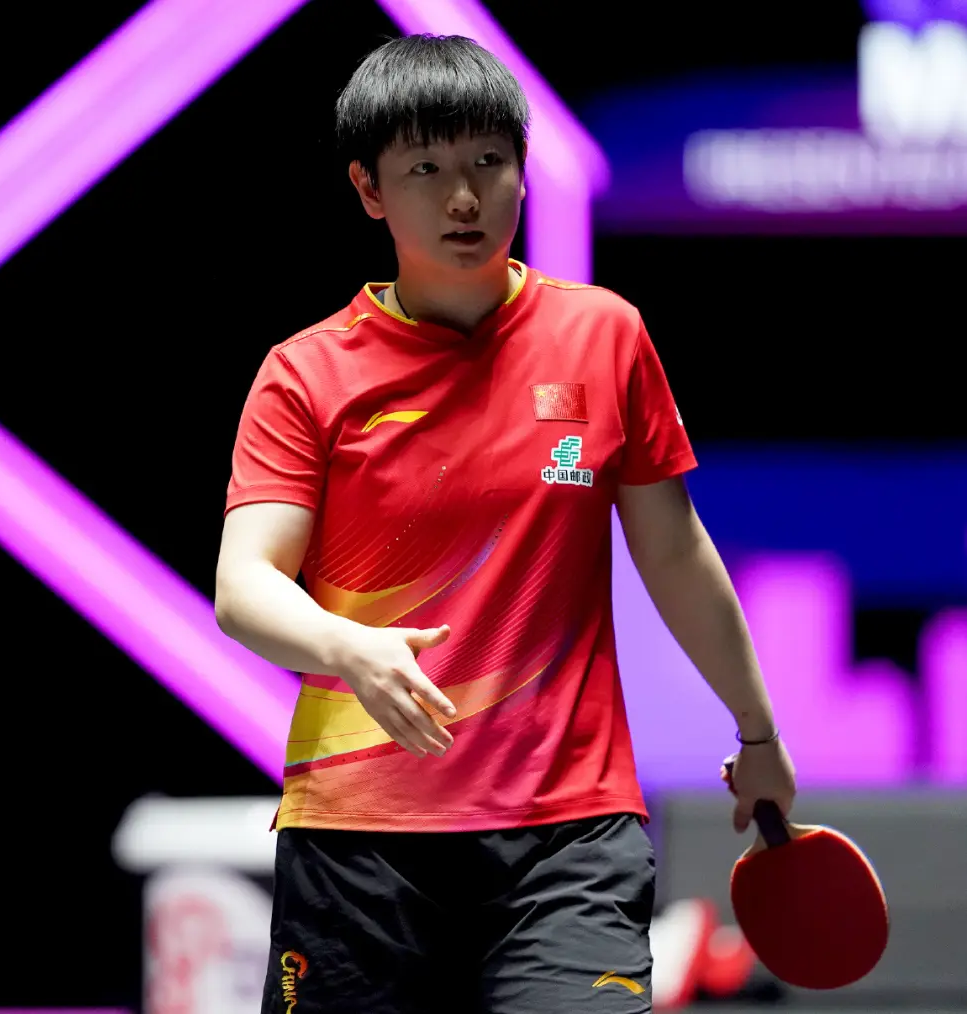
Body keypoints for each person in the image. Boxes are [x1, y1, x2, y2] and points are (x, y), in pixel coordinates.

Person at [215, 32, 796, 1014]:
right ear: (368, 189)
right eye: (426, 170)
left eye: (488, 161)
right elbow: (244, 586)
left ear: (523, 172)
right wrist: (349, 647)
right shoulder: (306, 373)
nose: (463, 198)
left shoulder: (602, 335)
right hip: (361, 841)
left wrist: (758, 731)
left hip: (567, 835)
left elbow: (672, 552)